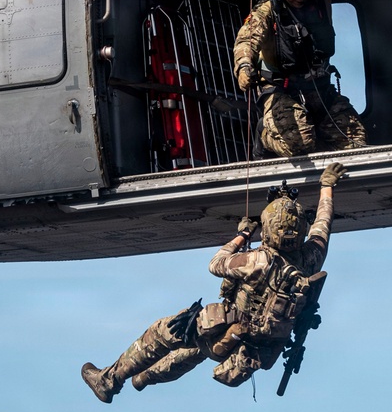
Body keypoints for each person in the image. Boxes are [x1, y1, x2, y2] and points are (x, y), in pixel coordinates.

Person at [81, 163, 345, 398]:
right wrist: (327, 187)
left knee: (164, 331)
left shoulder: (257, 261)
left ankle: (109, 380)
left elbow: (216, 263)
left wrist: (242, 235)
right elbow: (323, 224)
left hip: (225, 328)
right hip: (252, 348)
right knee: (191, 353)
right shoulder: (310, 260)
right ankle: (143, 378)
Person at [233, 0, 381, 157]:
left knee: (355, 143)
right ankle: (265, 134)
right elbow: (247, 40)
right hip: (280, 91)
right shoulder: (267, 11)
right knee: (299, 144)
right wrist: (244, 67)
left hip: (320, 88)